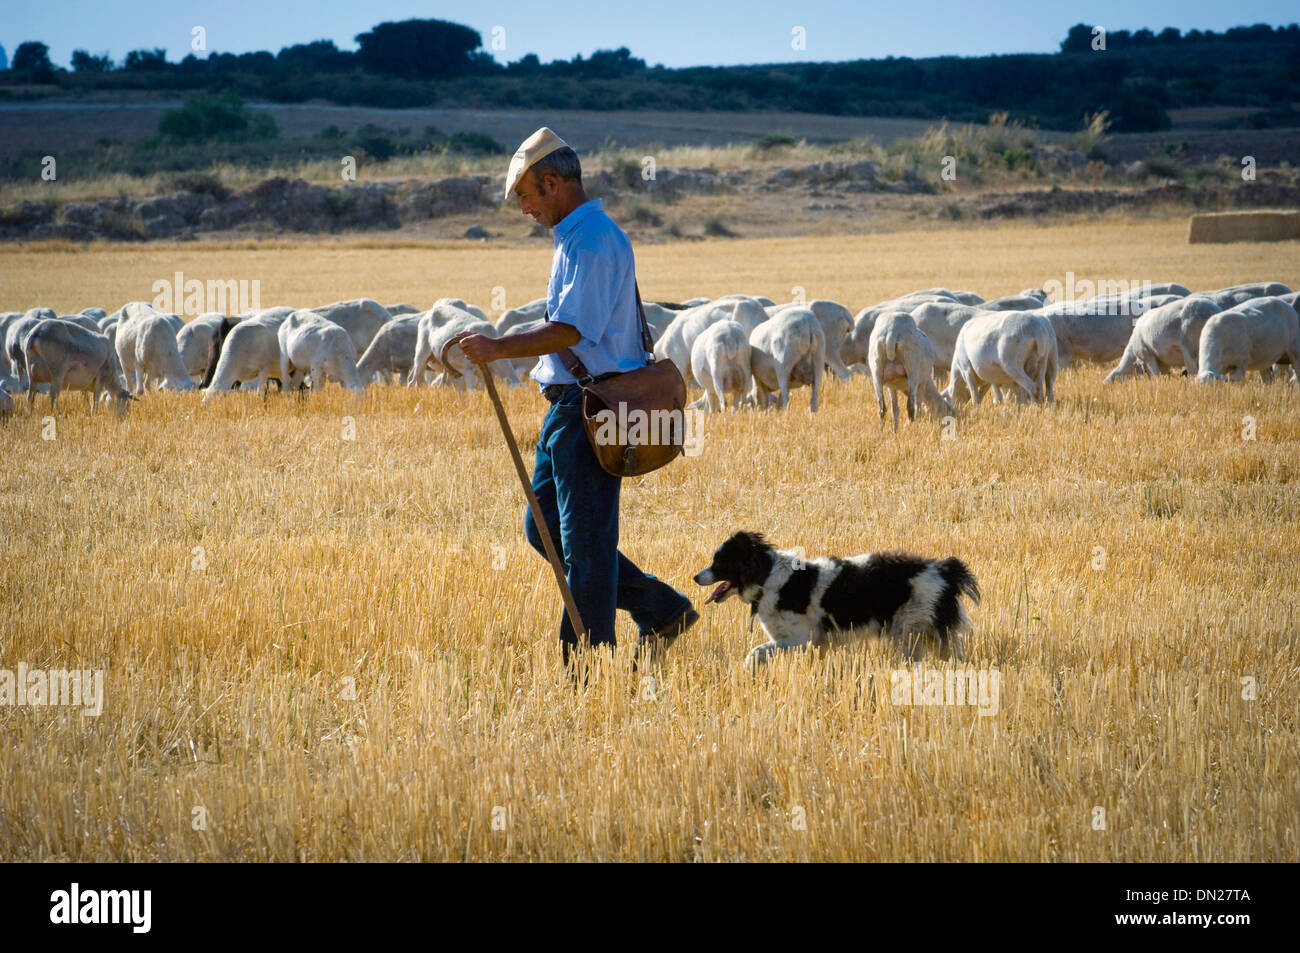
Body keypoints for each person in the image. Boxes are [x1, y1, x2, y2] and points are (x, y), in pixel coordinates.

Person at [454, 127, 697, 666]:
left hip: (590, 409)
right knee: (543, 531)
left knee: (583, 550)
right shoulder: (580, 236)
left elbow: (570, 329)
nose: (523, 209)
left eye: (525, 196)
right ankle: (660, 607)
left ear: (552, 182)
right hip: (574, 407)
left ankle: (585, 670)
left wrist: (498, 347)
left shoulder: (589, 240)